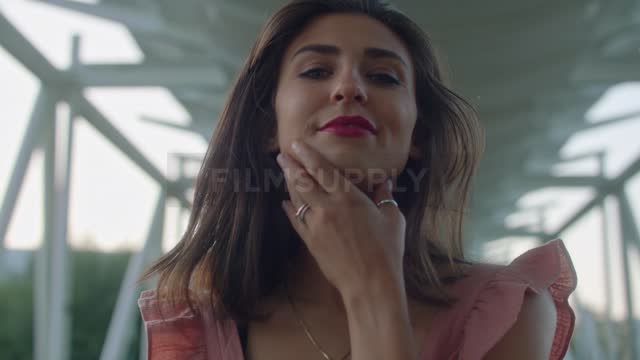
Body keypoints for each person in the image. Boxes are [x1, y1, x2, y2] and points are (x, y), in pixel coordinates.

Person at [138, 0, 577, 359]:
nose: (349, 88)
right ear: (268, 126)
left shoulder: (504, 312)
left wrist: (374, 291)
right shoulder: (195, 325)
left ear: (417, 136)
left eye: (383, 77)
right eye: (316, 71)